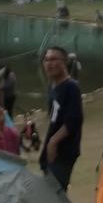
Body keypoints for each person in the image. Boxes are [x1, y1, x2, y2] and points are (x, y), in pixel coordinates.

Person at [41, 43, 83, 192]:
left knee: (56, 199)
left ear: (64, 62)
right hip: (52, 152)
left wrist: (53, 142)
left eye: (53, 59)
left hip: (64, 151)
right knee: (51, 198)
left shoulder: (71, 87)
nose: (48, 64)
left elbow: (74, 120)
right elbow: (54, 119)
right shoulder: (53, 87)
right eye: (46, 60)